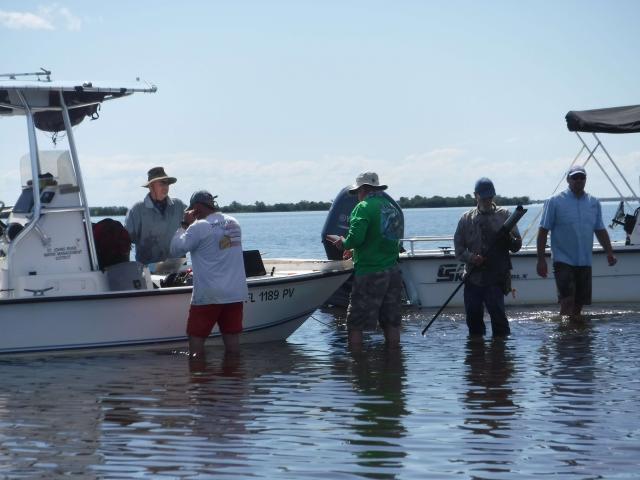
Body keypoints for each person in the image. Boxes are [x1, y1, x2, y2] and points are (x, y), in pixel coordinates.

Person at [328, 172, 403, 349]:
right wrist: (355, 251)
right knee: (391, 321)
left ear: (362, 189)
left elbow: (356, 239)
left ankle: (357, 366)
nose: (357, 196)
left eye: (357, 192)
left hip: (370, 272)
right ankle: (394, 364)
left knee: (355, 323)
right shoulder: (391, 208)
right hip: (392, 272)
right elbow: (383, 240)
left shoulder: (363, 207)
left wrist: (343, 243)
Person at [170, 190, 248, 358]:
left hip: (209, 295)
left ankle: (198, 379)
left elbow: (176, 248)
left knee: (196, 338)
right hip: (235, 293)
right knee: (232, 339)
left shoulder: (199, 226)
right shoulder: (234, 222)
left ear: (196, 208)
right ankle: (234, 379)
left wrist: (184, 224)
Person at [536, 165, 617, 319]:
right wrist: (541, 260)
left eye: (582, 177)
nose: (579, 180)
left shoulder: (593, 202)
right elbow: (542, 231)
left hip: (584, 260)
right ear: (568, 179)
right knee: (567, 301)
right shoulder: (554, 201)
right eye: (575, 177)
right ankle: (564, 337)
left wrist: (610, 253)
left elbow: (600, 229)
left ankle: (578, 339)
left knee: (579, 304)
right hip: (562, 260)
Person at [454, 178, 522, 337]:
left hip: (496, 278)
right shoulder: (465, 219)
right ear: (475, 196)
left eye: (490, 197)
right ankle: (477, 355)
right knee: (473, 321)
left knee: (499, 320)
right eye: (483, 197)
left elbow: (516, 246)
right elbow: (459, 250)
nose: (487, 200)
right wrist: (472, 258)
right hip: (473, 278)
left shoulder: (505, 215)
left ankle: (501, 356)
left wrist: (510, 240)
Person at [125, 166, 187, 266]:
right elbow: (125, 243)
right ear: (150, 186)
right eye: (162, 183)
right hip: (149, 272)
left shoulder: (179, 205)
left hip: (178, 269)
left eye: (167, 183)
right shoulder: (136, 210)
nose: (166, 186)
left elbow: (195, 228)